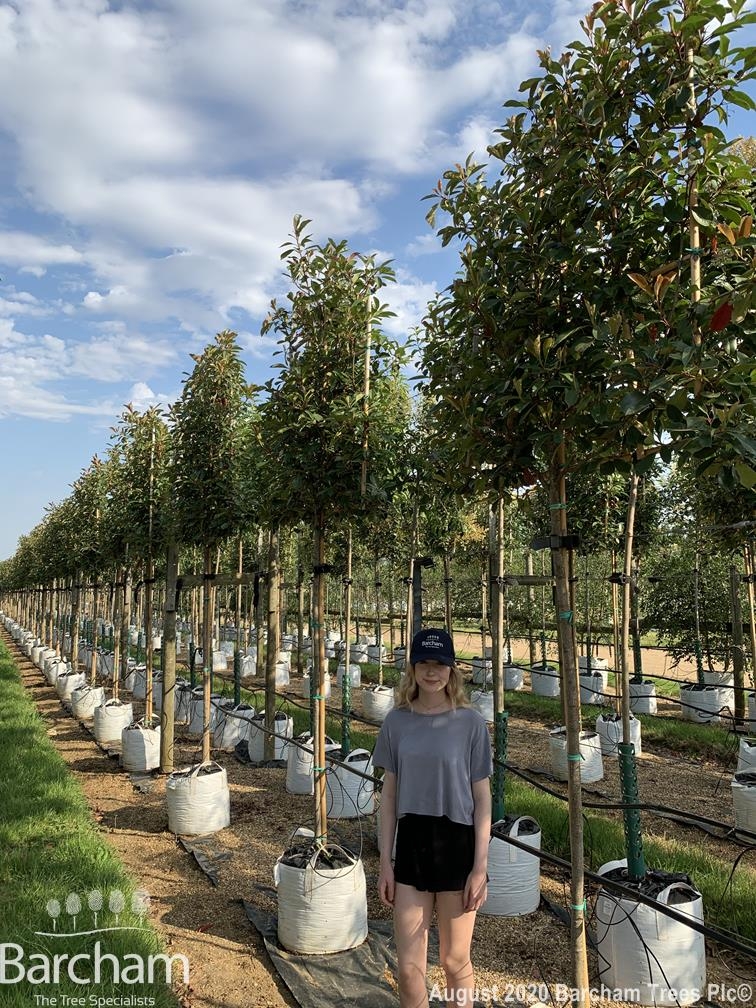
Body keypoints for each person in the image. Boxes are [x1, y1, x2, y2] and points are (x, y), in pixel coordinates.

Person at [373, 627, 493, 1008]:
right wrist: (385, 861)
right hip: (412, 843)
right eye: (423, 662)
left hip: (457, 843)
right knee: (409, 968)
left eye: (439, 663)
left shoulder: (470, 724)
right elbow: (389, 796)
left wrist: (480, 867)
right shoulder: (396, 722)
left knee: (454, 960)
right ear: (411, 667)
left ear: (452, 669)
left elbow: (482, 798)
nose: (431, 671)